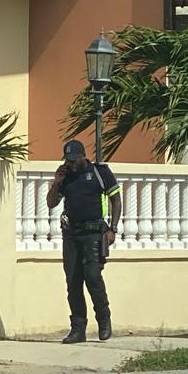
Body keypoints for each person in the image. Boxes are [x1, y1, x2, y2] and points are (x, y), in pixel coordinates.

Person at [46, 139, 122, 344]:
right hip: (71, 234)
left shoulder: (100, 172)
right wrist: (57, 182)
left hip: (94, 233)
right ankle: (78, 329)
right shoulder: (65, 176)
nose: (70, 164)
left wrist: (113, 228)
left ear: (83, 157)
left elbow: (116, 200)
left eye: (74, 160)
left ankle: (104, 319)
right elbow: (51, 203)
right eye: (67, 160)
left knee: (92, 277)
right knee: (73, 282)